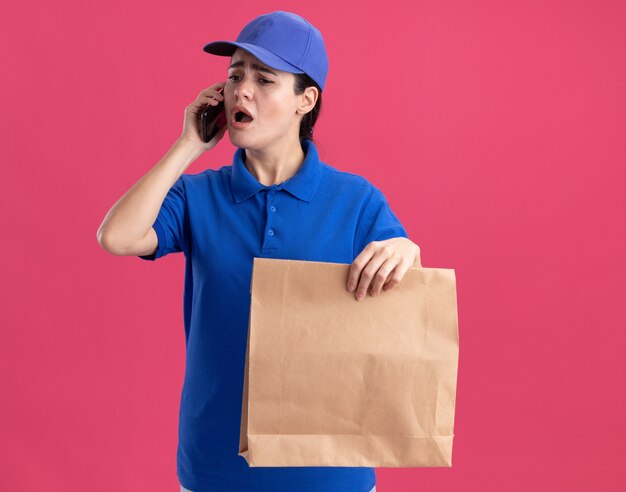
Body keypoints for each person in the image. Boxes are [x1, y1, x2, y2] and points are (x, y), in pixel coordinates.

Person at [97, 10, 421, 492]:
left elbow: (399, 271)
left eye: (264, 79)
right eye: (234, 75)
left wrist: (405, 248)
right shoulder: (197, 196)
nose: (241, 90)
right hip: (215, 466)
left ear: (305, 101)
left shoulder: (356, 201)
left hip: (331, 472)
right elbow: (117, 237)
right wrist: (188, 146)